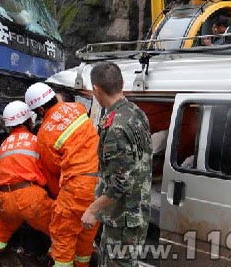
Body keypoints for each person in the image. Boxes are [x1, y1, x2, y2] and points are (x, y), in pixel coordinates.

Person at [81, 62, 153, 267]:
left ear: (96, 89)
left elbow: (119, 185)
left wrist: (92, 210)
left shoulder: (116, 129)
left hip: (123, 219)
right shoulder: (136, 112)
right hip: (134, 212)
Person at [25, 82, 100, 267]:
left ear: (40, 110)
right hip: (99, 186)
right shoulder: (78, 108)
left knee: (62, 236)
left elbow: (53, 172)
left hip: (76, 188)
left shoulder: (44, 135)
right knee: (86, 236)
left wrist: (58, 199)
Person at [0, 100, 54, 267]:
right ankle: (50, 261)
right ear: (28, 120)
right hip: (30, 198)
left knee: (1, 231)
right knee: (60, 228)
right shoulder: (35, 141)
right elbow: (47, 170)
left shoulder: (3, 146)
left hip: (6, 200)